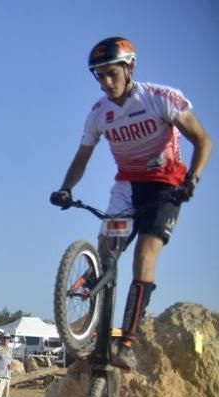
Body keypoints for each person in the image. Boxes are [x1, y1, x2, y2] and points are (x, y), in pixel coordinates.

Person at [50, 36, 212, 371]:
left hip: (166, 187)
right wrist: (65, 188)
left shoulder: (160, 99)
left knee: (143, 255)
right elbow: (82, 158)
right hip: (127, 185)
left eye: (112, 73)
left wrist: (191, 181)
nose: (107, 82)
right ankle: (94, 324)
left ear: (129, 67)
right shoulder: (99, 113)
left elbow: (204, 141)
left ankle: (127, 340)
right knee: (106, 250)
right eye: (100, 76)